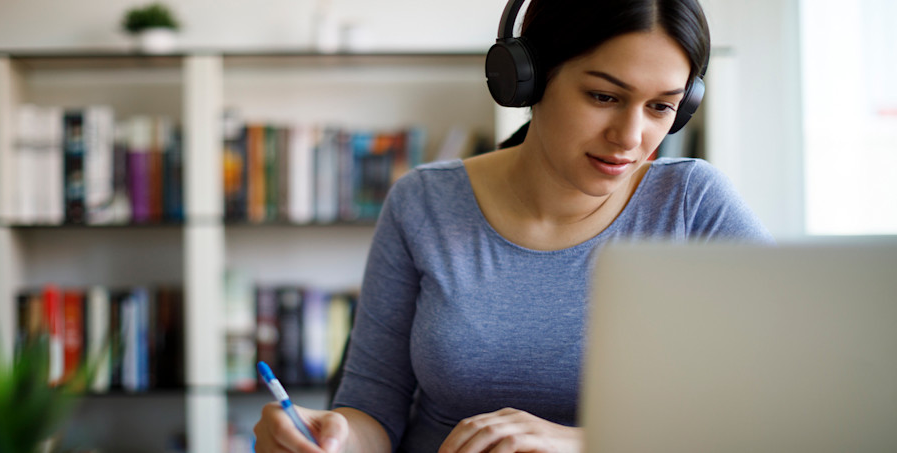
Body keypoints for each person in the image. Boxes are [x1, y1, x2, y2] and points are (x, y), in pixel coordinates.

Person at [254, 0, 774, 451]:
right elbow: (371, 411)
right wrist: (330, 437)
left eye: (661, 107)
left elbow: (786, 400)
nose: (630, 137)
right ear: (528, 76)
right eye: (604, 97)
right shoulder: (423, 203)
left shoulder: (692, 205)